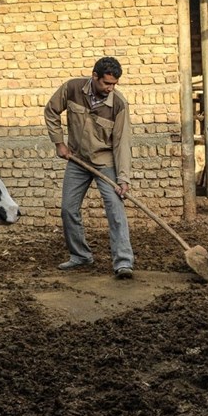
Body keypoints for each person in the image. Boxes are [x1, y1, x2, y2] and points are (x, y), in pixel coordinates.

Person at [45, 56, 135, 279]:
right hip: (78, 160)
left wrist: (123, 178)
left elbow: (122, 143)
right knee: (68, 208)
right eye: (107, 83)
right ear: (94, 76)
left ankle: (123, 262)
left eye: (114, 84)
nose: (110, 88)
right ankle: (80, 256)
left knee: (115, 209)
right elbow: (51, 111)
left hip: (106, 163)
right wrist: (59, 143)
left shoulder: (119, 104)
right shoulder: (72, 88)